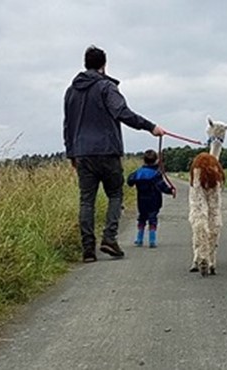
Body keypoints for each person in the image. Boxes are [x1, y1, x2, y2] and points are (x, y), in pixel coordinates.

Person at [64, 45, 167, 263]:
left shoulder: (71, 91)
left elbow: (68, 125)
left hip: (82, 154)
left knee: (86, 201)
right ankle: (109, 238)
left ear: (86, 63)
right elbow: (122, 112)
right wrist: (151, 127)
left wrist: (72, 154)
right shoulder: (106, 87)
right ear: (103, 65)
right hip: (107, 151)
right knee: (115, 194)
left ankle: (88, 250)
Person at [127, 149, 175, 248]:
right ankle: (152, 241)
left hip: (141, 201)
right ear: (156, 160)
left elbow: (130, 181)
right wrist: (171, 190)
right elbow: (162, 187)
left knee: (142, 218)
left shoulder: (138, 172)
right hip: (154, 201)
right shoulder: (156, 174)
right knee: (153, 219)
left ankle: (139, 239)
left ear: (144, 160)